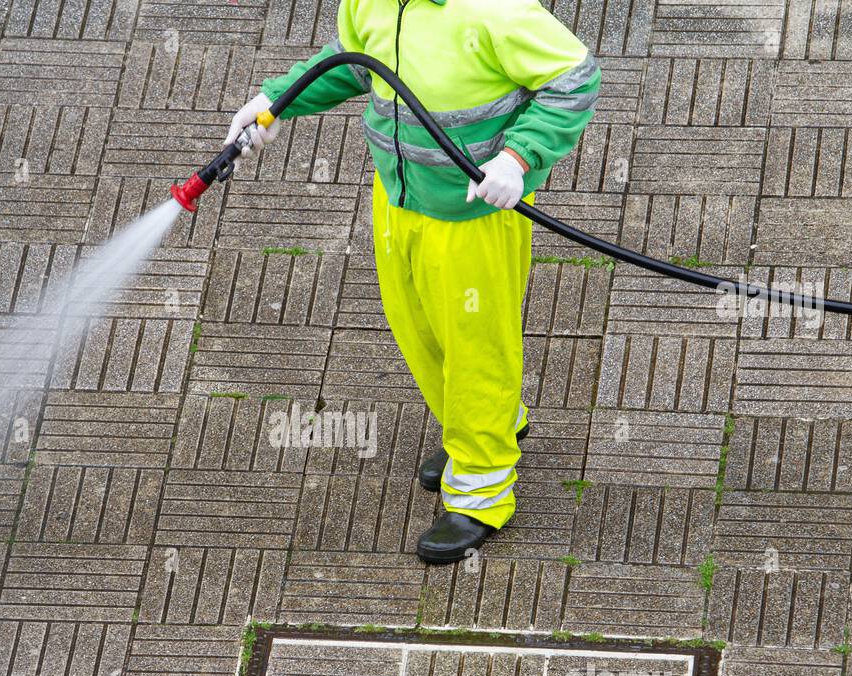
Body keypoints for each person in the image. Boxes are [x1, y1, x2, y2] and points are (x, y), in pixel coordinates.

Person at [226, 0, 600, 564]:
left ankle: (481, 492)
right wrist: (275, 103)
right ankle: (483, 427)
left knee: (476, 347)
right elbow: (356, 62)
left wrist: (519, 159)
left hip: (472, 215)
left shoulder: (494, 11)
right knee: (417, 326)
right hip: (398, 198)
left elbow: (574, 77)